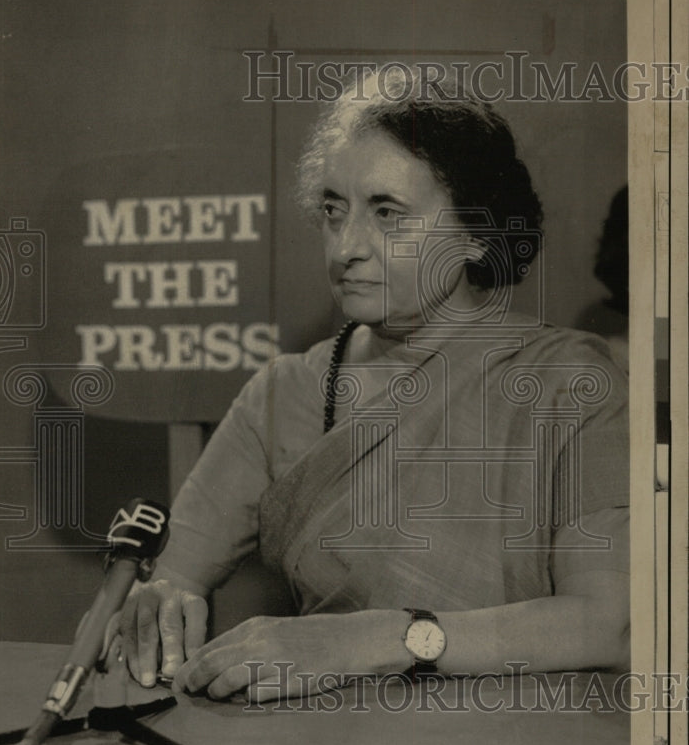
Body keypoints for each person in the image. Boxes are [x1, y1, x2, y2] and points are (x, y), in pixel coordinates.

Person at [120, 64, 630, 702]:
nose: (345, 248)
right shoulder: (285, 393)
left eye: (388, 214)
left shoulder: (570, 383)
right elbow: (169, 578)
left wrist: (374, 640)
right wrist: (157, 604)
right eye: (334, 211)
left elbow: (609, 625)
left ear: (476, 233)